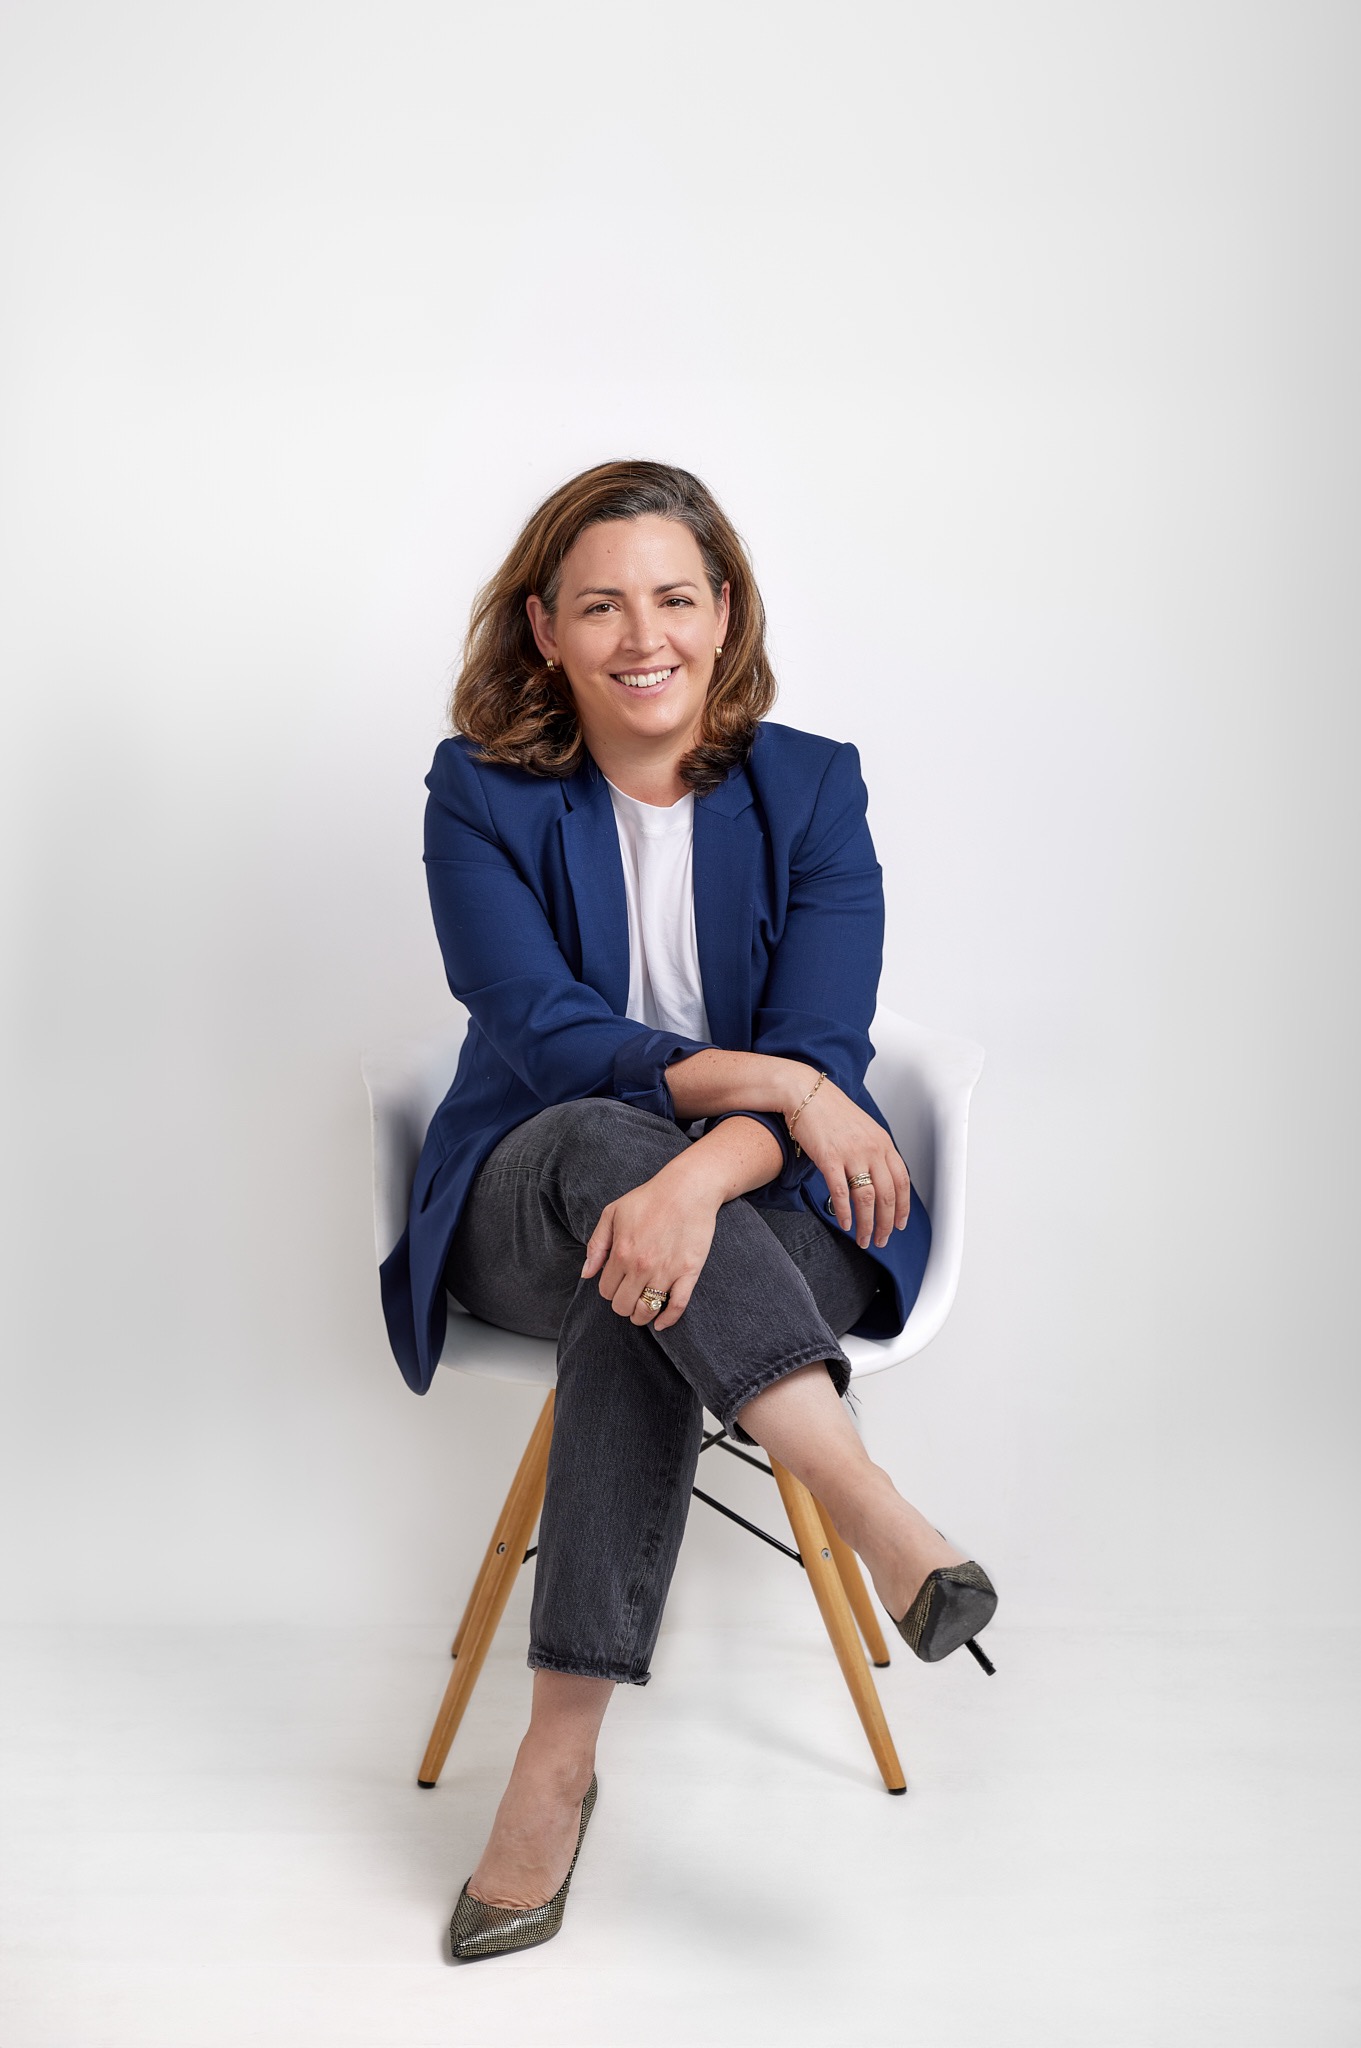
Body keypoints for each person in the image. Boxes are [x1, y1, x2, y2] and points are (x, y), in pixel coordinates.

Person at [378, 460, 998, 1963]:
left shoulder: (813, 787)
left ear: (725, 612)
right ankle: (863, 1499)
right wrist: (772, 1092)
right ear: (545, 629)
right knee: (604, 1145)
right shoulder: (478, 793)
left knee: (643, 1280)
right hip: (531, 1193)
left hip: (761, 1213)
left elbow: (826, 1040)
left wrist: (710, 1165)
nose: (641, 635)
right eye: (600, 605)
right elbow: (545, 1034)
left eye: (673, 596)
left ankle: (554, 1760)